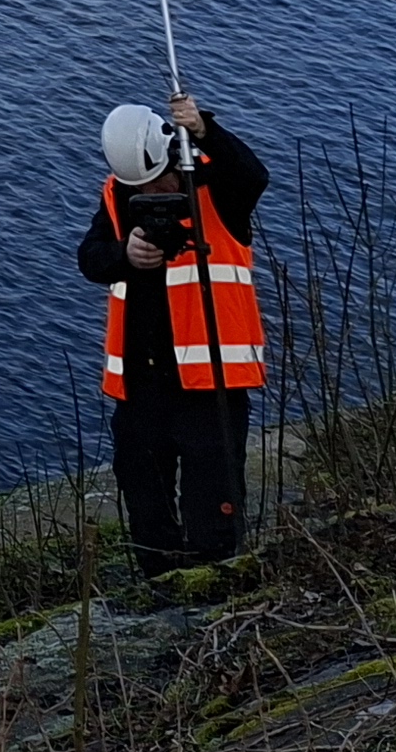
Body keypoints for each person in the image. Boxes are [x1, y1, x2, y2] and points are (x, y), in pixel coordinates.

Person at [76, 91, 268, 574]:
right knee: (144, 491)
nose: (155, 192)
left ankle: (214, 581)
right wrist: (125, 254)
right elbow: (90, 258)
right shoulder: (119, 193)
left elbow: (253, 175)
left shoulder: (219, 188)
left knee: (213, 497)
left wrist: (205, 128)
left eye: (161, 180)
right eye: (144, 185)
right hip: (141, 380)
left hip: (212, 380)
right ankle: (157, 582)